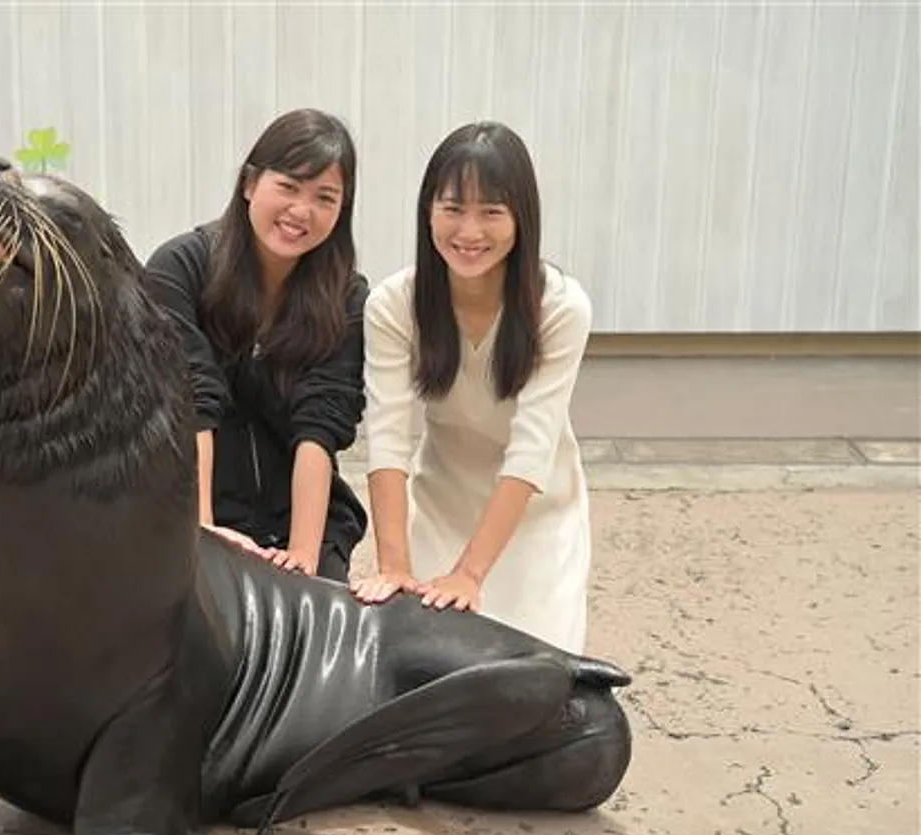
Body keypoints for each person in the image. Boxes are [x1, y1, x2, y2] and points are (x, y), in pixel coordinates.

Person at [352, 120, 595, 653]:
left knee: (538, 669)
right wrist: (394, 565)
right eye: (453, 208)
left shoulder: (559, 307)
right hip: (440, 503)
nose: (469, 231)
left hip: (537, 513)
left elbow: (532, 451)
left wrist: (470, 573)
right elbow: (388, 438)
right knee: (432, 667)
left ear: (521, 219)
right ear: (428, 212)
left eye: (491, 211)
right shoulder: (395, 303)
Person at [144, 108, 370, 584]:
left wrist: (303, 556)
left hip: (301, 515)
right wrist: (202, 532)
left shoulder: (346, 296)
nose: (301, 211)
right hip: (195, 507)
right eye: (288, 187)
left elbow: (321, 424)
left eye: (324, 197)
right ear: (250, 183)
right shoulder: (179, 267)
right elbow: (191, 402)